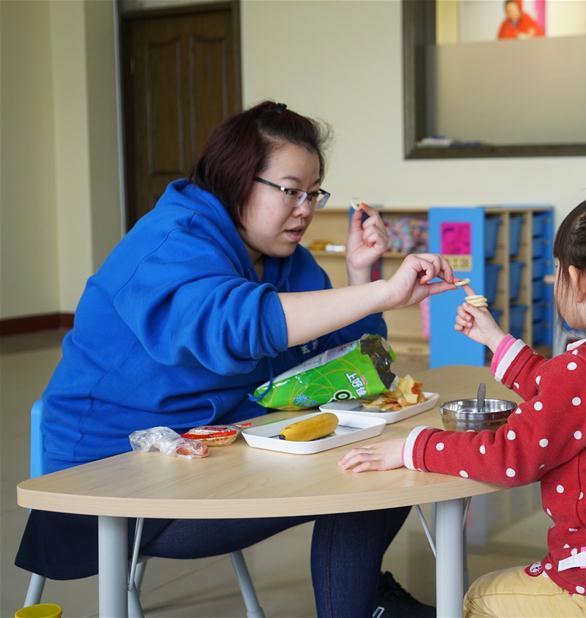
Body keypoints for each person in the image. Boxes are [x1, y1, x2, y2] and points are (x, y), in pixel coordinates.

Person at [16, 101, 456, 617]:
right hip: (114, 474)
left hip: (220, 447)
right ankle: (362, 603)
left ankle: (362, 600)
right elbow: (238, 324)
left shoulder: (282, 256)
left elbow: (345, 368)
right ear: (234, 179)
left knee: (388, 458)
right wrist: (381, 293)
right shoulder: (167, 241)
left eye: (313, 192)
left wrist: (362, 276)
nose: (306, 208)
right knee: (366, 476)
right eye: (291, 190)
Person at [340, 171, 586, 617]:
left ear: (577, 280)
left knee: (478, 598)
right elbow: (564, 392)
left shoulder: (582, 371)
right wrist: (494, 339)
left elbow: (508, 456)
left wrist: (413, 447)